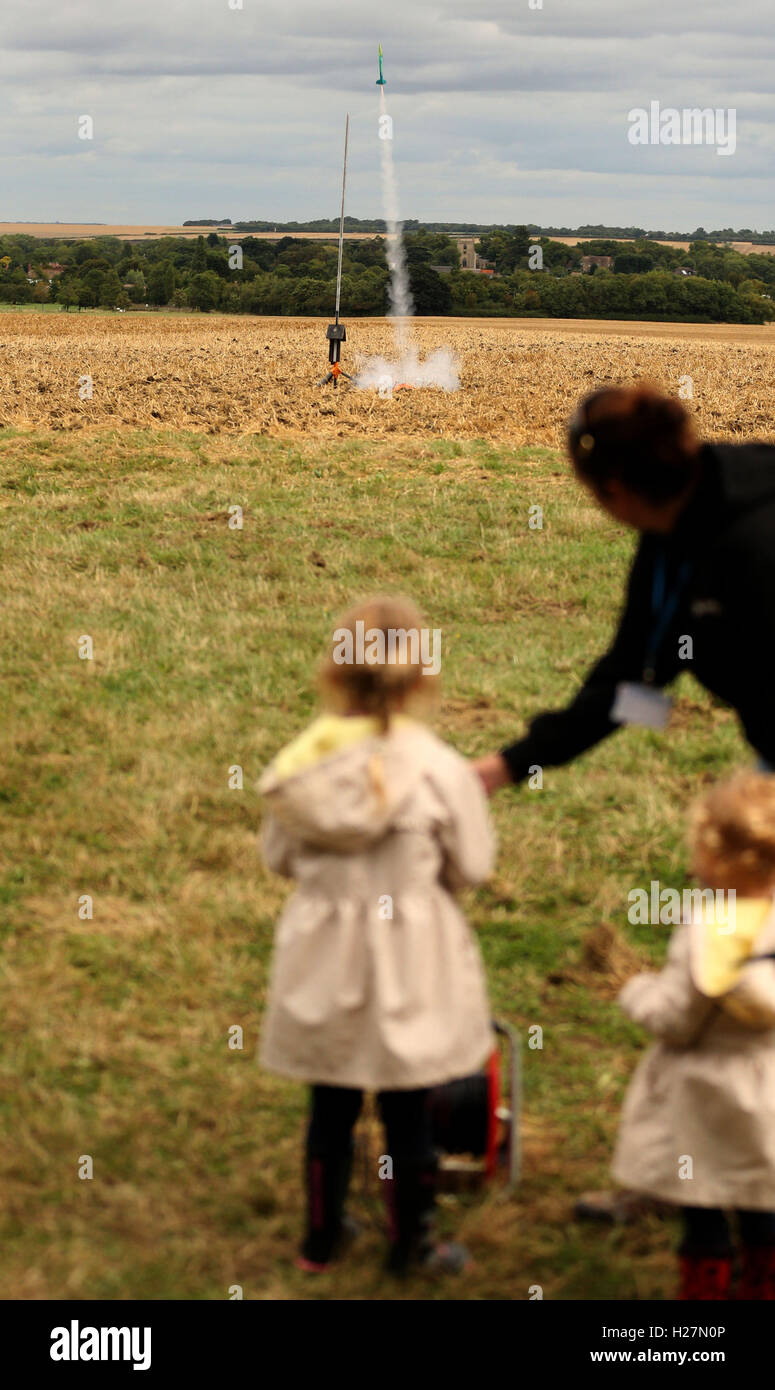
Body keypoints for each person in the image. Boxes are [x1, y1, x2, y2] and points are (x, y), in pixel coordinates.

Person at [258, 596, 495, 1275]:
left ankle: (320, 1240)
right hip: (410, 956)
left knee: (329, 1099)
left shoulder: (300, 768)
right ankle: (411, 1245)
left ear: (332, 672)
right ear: (423, 678)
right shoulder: (441, 769)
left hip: (325, 954)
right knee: (407, 1102)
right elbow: (473, 864)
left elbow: (277, 858)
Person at [475, 384, 775, 795]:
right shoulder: (675, 521)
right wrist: (508, 765)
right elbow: (632, 674)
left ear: (613, 488)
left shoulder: (754, 543)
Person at [612, 772, 775, 1300]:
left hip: (706, 1094)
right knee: (761, 1197)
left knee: (701, 1199)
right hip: (767, 1091)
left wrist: (635, 990)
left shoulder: (709, 930)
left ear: (717, 859)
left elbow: (677, 1022)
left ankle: (702, 1312)